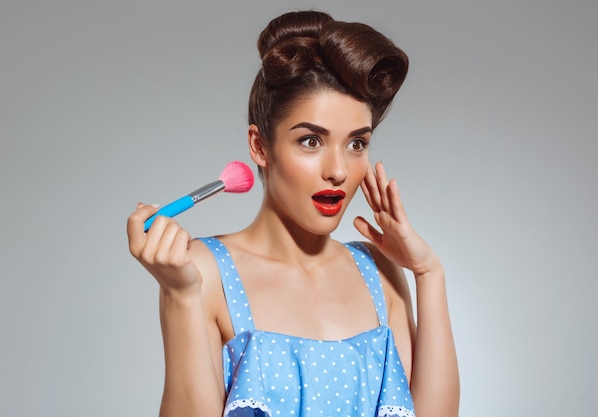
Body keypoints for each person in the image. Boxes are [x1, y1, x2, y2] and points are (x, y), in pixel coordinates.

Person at [127, 10, 459, 417]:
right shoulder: (205, 271)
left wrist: (429, 273)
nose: (337, 170)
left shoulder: (378, 270)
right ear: (259, 146)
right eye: (311, 140)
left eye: (356, 144)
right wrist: (179, 294)